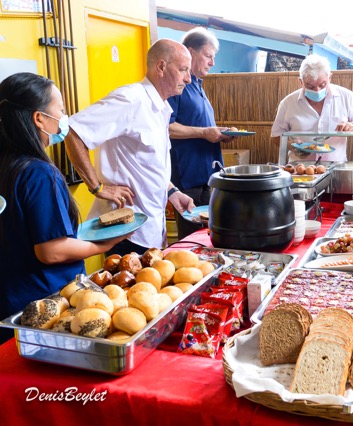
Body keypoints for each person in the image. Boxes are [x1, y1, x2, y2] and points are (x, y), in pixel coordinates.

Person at [0, 72, 128, 343]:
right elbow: (52, 250)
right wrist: (104, 245)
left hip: (8, 299)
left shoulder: (6, 166)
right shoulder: (37, 173)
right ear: (39, 118)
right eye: (61, 110)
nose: (64, 117)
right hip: (43, 308)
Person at [65, 39, 196, 256]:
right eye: (183, 70)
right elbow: (73, 131)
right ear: (161, 67)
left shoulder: (161, 107)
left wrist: (172, 191)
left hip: (152, 229)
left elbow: (150, 163)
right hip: (127, 232)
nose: (188, 78)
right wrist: (97, 187)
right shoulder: (130, 100)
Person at [167, 27, 236, 240]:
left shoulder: (197, 85)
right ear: (189, 52)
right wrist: (205, 132)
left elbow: (200, 126)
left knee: (210, 236)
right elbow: (165, 127)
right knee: (191, 240)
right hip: (187, 179)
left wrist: (220, 132)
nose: (212, 62)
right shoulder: (175, 86)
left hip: (208, 175)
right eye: (208, 55)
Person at [270, 54, 353, 163]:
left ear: (330, 78)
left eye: (322, 85)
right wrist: (292, 145)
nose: (317, 90)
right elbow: (276, 135)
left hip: (336, 167)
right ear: (301, 82)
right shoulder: (288, 103)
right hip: (300, 169)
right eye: (310, 86)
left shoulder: (346, 97)